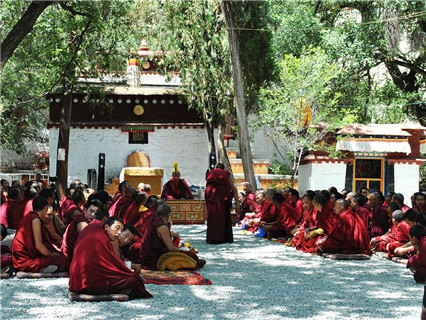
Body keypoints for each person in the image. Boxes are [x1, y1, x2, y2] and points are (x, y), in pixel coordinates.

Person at [69, 216, 152, 299]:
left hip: (75, 283)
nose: (119, 233)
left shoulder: (93, 228)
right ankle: (109, 295)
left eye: (121, 231)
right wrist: (130, 272)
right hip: (87, 284)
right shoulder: (102, 239)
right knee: (133, 280)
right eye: (117, 228)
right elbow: (113, 266)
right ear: (106, 227)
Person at [138, 204, 205, 270]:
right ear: (168, 215)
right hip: (155, 259)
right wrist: (182, 250)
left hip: (144, 256)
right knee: (192, 255)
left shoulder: (152, 220)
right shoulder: (162, 227)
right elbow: (171, 248)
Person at [11, 196, 69, 273]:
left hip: (20, 256)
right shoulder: (36, 219)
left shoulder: (30, 216)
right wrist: (52, 255)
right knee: (62, 260)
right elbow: (39, 246)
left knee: (58, 255)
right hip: (25, 260)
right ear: (45, 208)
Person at [205, 163, 239, 244]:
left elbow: (207, 184)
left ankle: (212, 238)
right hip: (222, 198)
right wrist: (237, 204)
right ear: (223, 169)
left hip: (211, 197)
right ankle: (224, 238)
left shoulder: (211, 173)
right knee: (223, 218)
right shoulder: (226, 174)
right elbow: (233, 189)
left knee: (212, 218)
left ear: (216, 168)